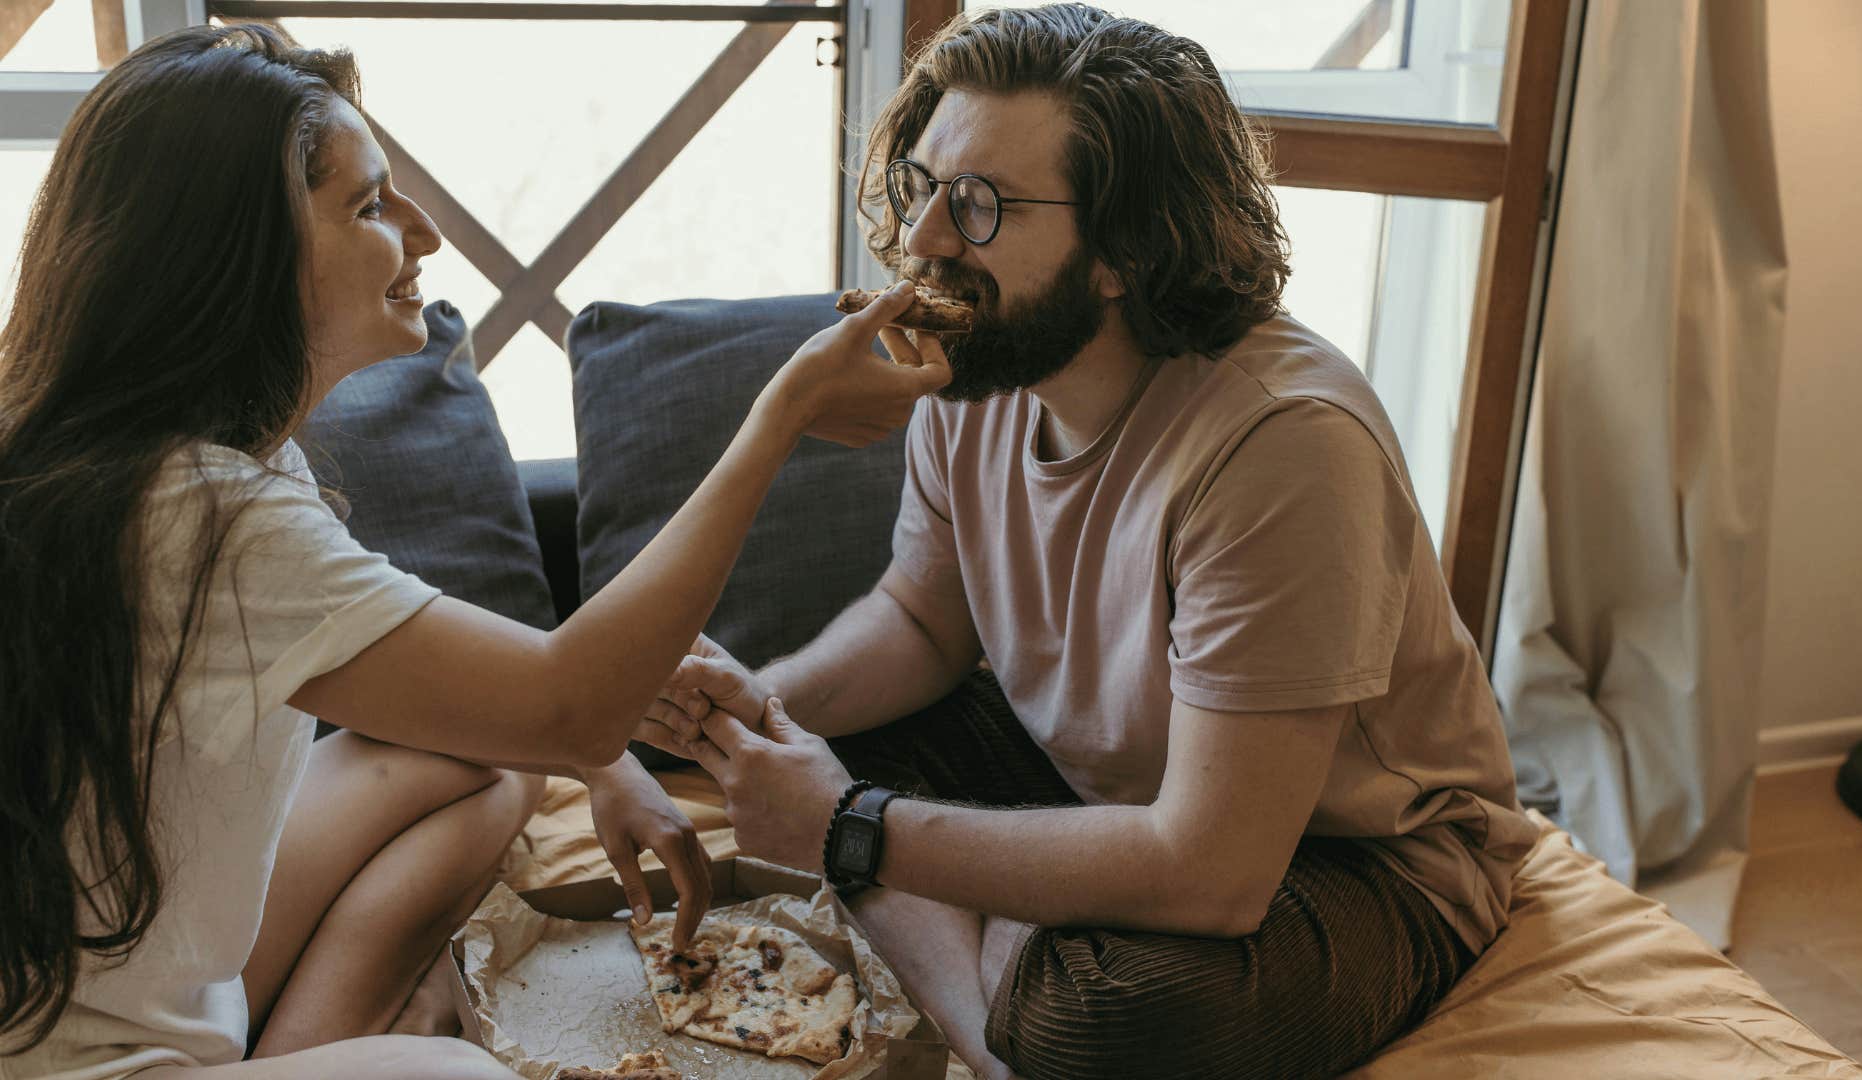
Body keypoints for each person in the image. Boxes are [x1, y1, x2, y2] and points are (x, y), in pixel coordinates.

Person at [0, 24, 948, 1079]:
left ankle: (318, 1044)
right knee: (465, 1076)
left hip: (153, 975)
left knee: (477, 756)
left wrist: (602, 744)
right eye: (369, 206)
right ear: (240, 255)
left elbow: (508, 701)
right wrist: (781, 417)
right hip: (89, 1059)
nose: (423, 233)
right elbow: (565, 698)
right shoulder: (206, 516)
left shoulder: (211, 466)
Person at [643, 5, 1541, 1078]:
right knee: (829, 747)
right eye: (922, 186)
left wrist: (850, 831)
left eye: (976, 206)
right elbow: (923, 623)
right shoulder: (979, 361)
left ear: (1124, 248)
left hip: (1352, 857)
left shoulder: (1286, 444)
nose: (926, 240)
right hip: (1110, 784)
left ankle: (1003, 1031)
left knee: (1096, 1020)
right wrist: (766, 704)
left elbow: (1215, 867)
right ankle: (1000, 992)